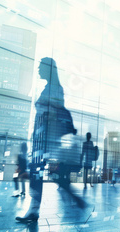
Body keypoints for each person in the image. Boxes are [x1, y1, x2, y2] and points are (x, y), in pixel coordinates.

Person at [16, 58, 81, 223]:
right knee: (48, 174)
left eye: (40, 66)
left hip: (46, 141)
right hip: (42, 140)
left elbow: (52, 114)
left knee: (38, 173)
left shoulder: (54, 89)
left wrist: (44, 136)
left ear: (48, 68)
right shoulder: (50, 88)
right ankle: (74, 198)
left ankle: (34, 210)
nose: (38, 69)